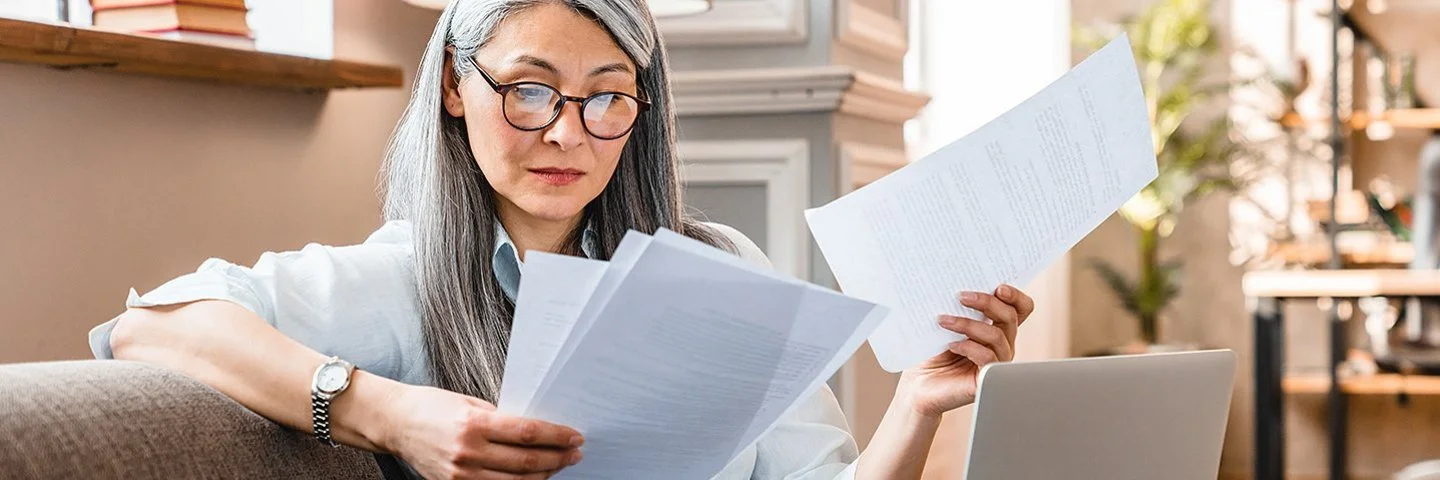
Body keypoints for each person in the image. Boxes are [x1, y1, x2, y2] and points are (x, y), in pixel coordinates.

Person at [88, 1, 1035, 478]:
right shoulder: (402, 283)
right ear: (457, 91)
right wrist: (389, 414)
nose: (568, 132)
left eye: (607, 97)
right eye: (529, 89)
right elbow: (152, 326)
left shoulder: (721, 267)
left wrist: (917, 405)